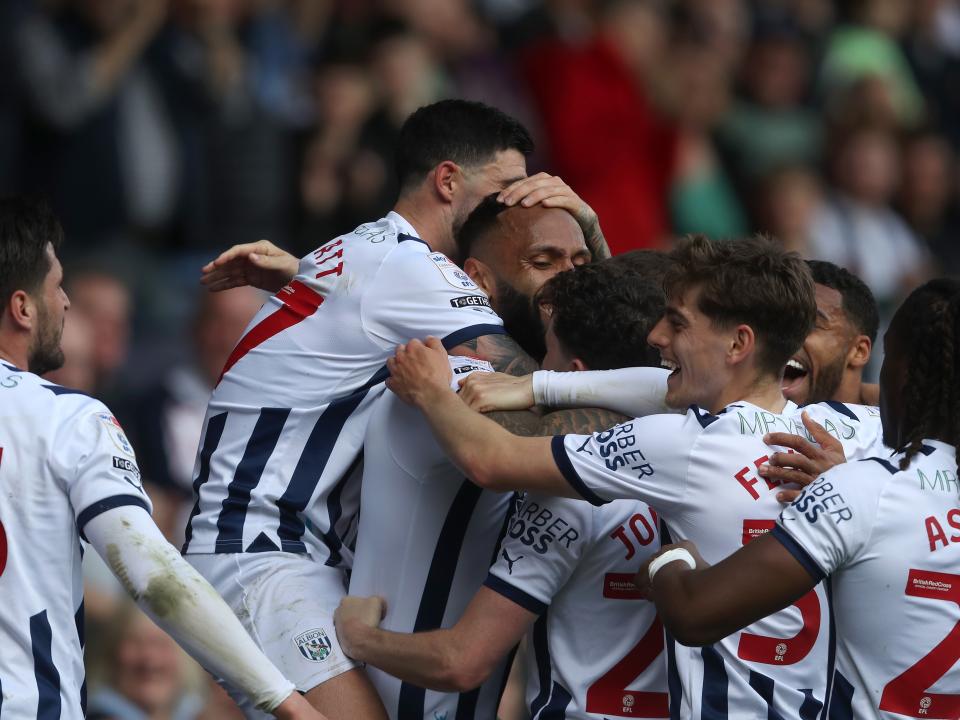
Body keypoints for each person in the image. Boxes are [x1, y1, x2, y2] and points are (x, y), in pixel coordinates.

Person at [186, 100, 618, 720]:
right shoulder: (415, 272)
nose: (521, 205)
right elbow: (579, 365)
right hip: (257, 546)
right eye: (505, 190)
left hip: (295, 547)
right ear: (448, 181)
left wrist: (585, 229)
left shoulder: (373, 253)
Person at [382, 235, 888, 718]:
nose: (657, 336)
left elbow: (490, 461)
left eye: (678, 323)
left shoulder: (678, 445)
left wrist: (432, 391)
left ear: (738, 344)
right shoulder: (845, 435)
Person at [0, 197, 323, 720]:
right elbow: (156, 577)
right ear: (22, 307)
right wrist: (285, 701)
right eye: (57, 286)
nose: (65, 303)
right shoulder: (68, 419)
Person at [338, 256, 672, 720]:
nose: (532, 369)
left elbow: (461, 662)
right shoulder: (708, 457)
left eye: (545, 355)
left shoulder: (567, 499)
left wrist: (360, 638)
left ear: (574, 372)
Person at [640, 277, 960, 718]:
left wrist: (669, 561)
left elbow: (694, 614)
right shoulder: (861, 481)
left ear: (901, 372)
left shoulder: (865, 490)